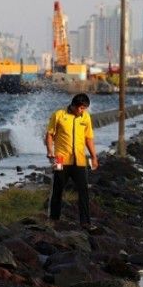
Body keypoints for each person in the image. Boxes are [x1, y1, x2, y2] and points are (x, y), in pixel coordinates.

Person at [44, 93, 99, 229]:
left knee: (83, 190)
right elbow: (50, 135)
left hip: (80, 159)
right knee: (57, 188)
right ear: (74, 106)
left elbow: (88, 138)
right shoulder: (59, 115)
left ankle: (85, 222)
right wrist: (50, 151)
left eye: (85, 108)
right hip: (60, 158)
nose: (83, 111)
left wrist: (94, 156)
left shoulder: (86, 117)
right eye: (81, 108)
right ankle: (53, 219)